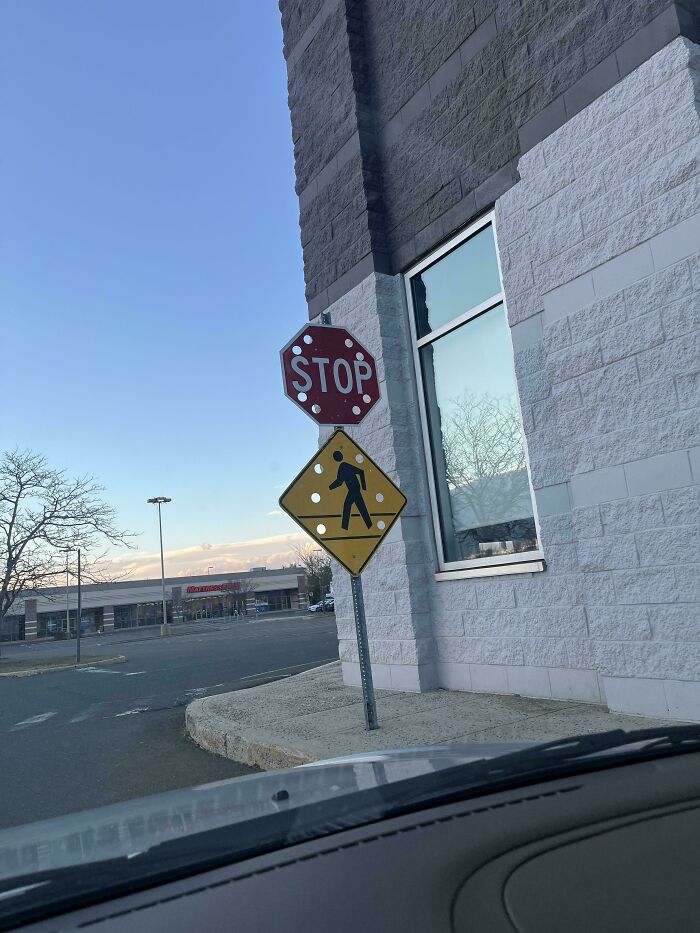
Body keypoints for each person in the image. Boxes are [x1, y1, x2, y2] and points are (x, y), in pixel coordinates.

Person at [329, 450, 372, 531]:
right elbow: (339, 482)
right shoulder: (342, 466)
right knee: (358, 507)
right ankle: (369, 525)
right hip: (353, 490)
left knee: (352, 506)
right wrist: (329, 488)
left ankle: (345, 528)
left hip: (354, 489)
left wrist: (364, 488)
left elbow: (361, 472)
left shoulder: (344, 466)